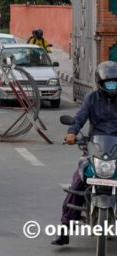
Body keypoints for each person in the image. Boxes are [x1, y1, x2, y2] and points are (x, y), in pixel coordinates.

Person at [51, 61, 117, 246]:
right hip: (95, 147)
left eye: (116, 83)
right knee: (78, 183)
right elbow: (80, 116)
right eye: (109, 83)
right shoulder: (92, 98)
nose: (113, 87)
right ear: (100, 82)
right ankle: (64, 231)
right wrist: (72, 132)